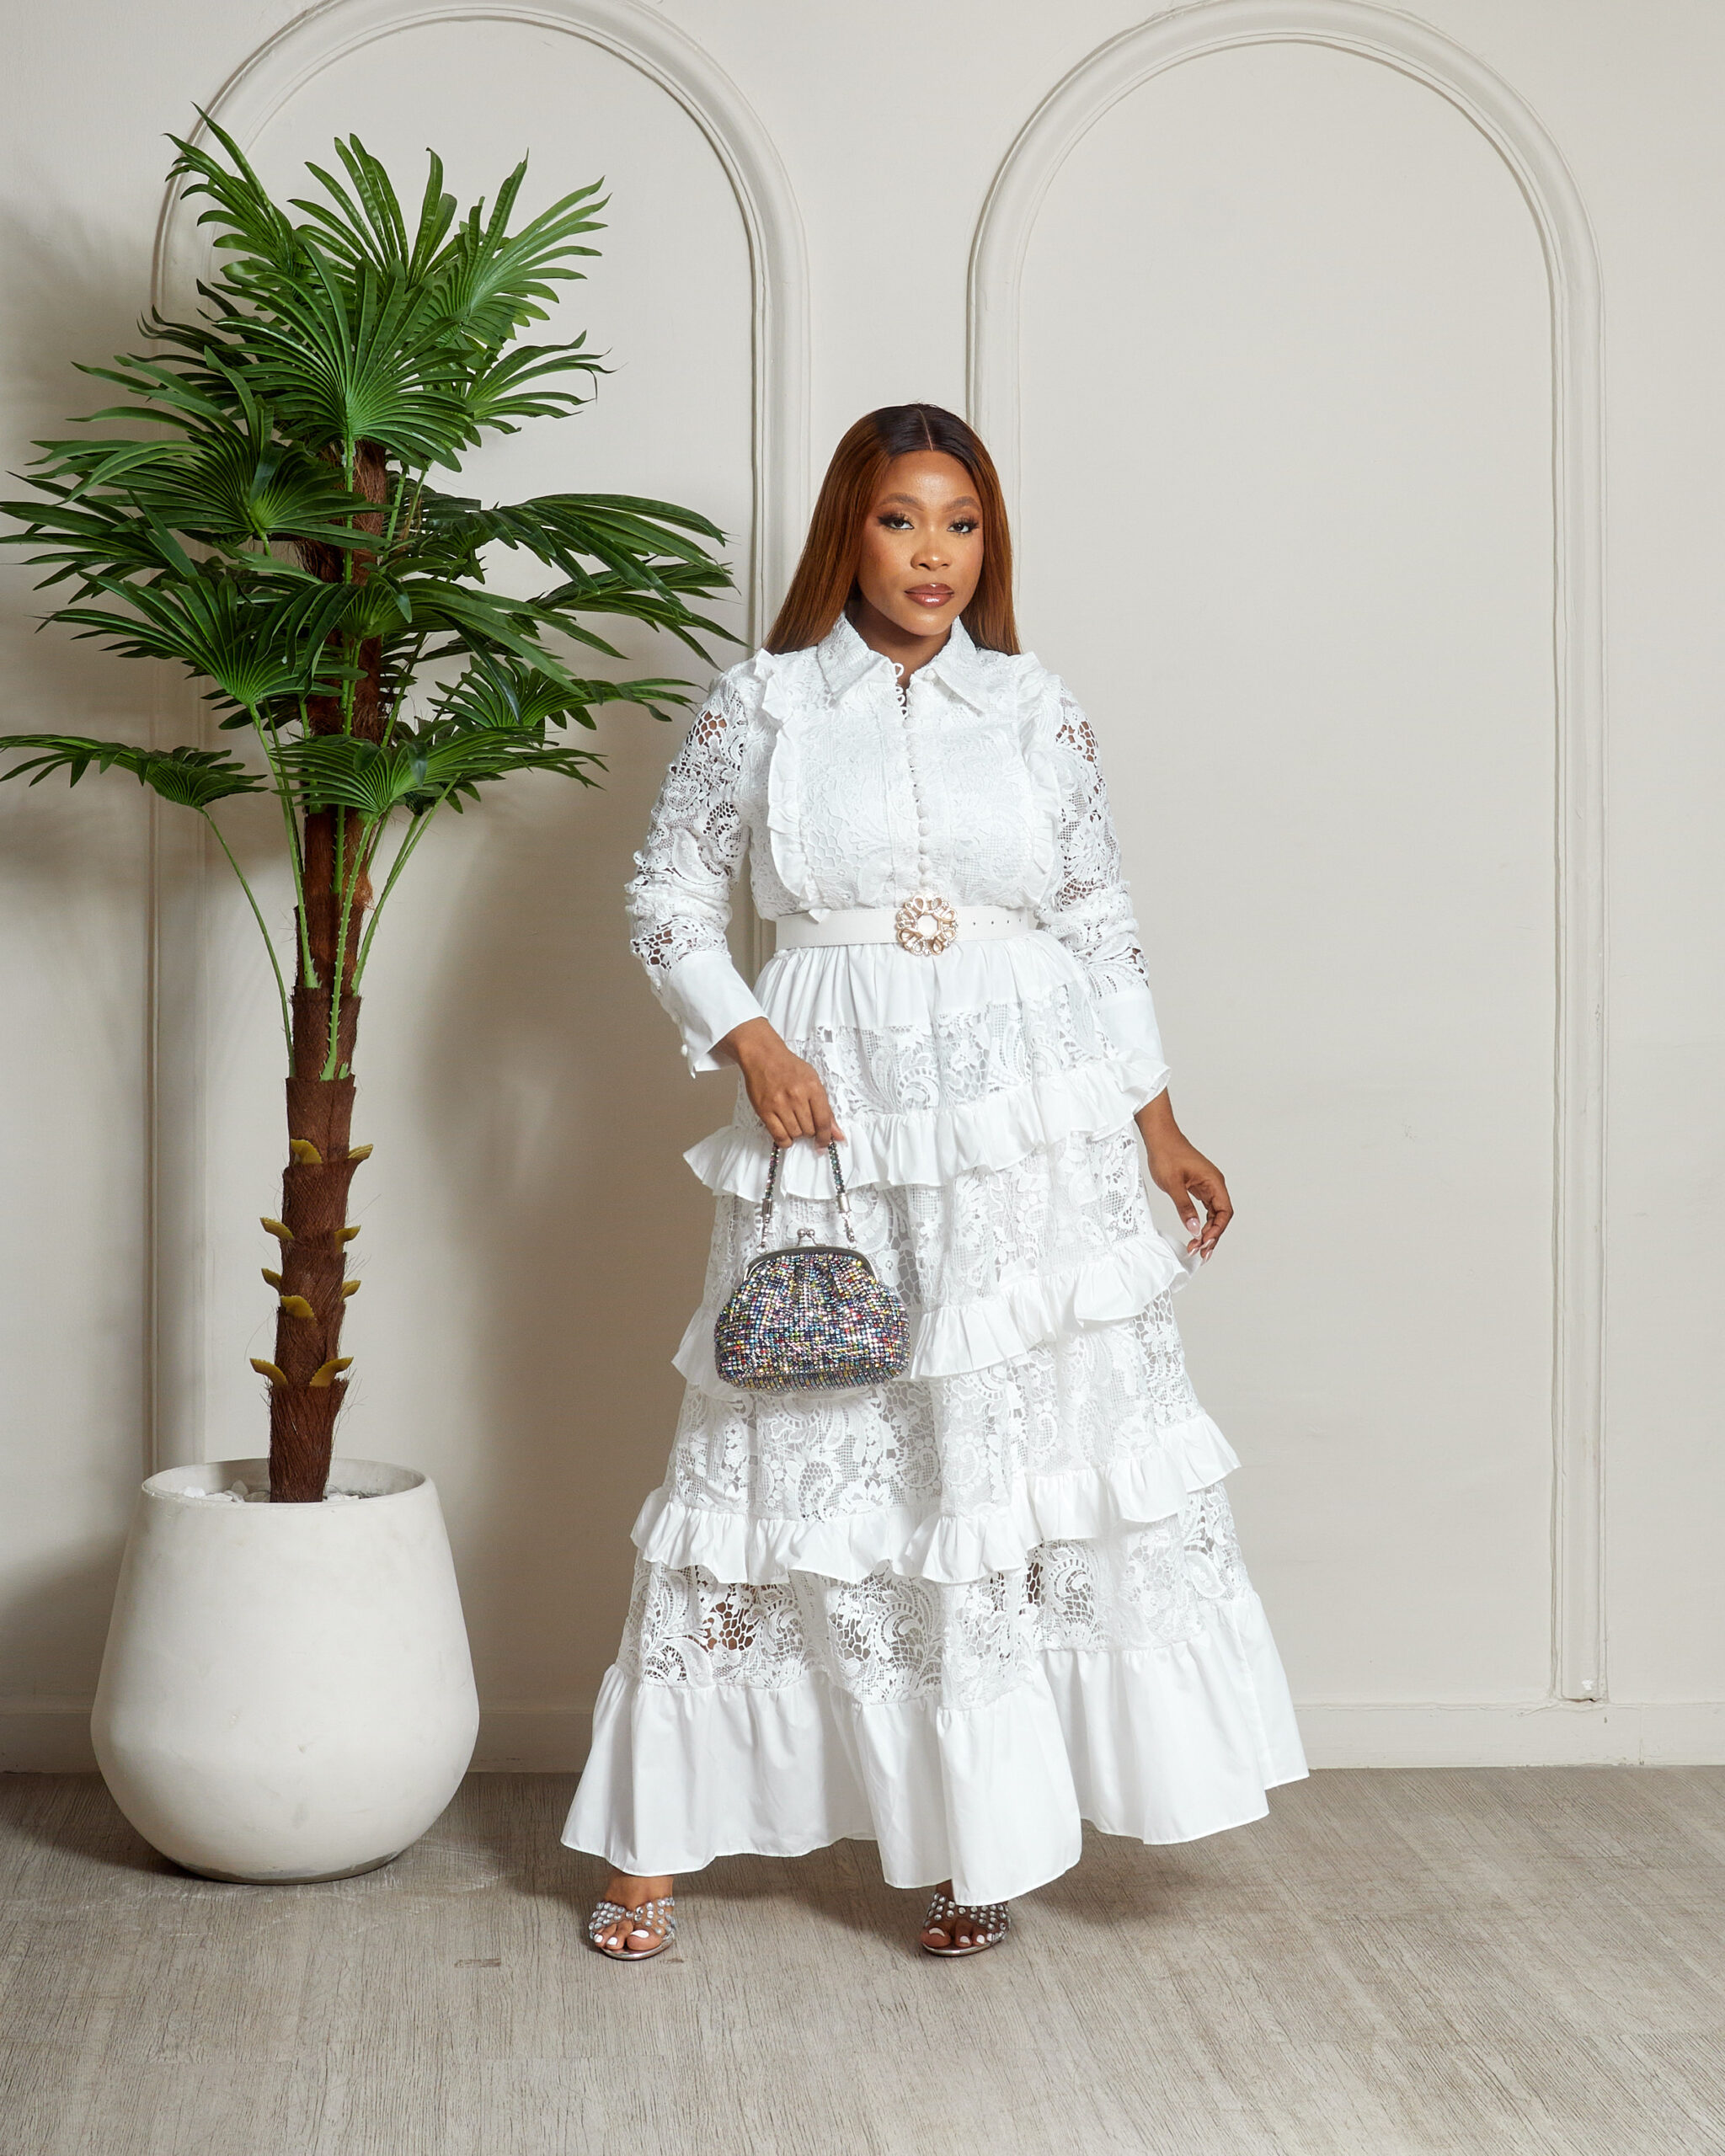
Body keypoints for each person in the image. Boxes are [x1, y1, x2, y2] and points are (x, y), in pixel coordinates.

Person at [563, 403, 1306, 1960]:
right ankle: (651, 1845)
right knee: (796, 1435)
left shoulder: (1034, 708)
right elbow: (666, 895)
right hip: (836, 1106)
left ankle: (981, 1839)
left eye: (962, 525)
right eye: (903, 520)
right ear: (850, 530)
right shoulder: (763, 704)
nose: (934, 556)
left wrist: (1158, 1124)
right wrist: (750, 1037)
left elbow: (1099, 922)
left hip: (1029, 1119)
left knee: (991, 1458)